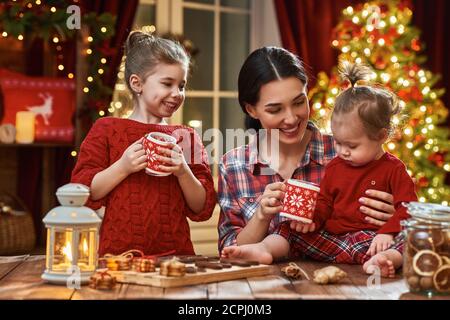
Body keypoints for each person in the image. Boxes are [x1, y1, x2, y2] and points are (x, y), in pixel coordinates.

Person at [221, 61, 417, 278]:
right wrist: (309, 220)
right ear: (251, 109)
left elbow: (410, 209)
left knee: (410, 241)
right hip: (329, 242)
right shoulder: (234, 165)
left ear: (381, 136)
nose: (341, 150)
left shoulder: (387, 166)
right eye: (275, 109)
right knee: (288, 229)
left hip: (369, 243)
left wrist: (391, 227)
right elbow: (324, 202)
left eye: (298, 102)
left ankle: (382, 261)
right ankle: (264, 249)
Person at [72, 31, 216, 256]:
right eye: (167, 83)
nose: (177, 93)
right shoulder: (107, 129)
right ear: (137, 83)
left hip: (176, 259)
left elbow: (202, 206)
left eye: (182, 86)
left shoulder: (187, 137)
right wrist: (123, 167)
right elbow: (84, 190)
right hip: (118, 258)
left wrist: (182, 171)